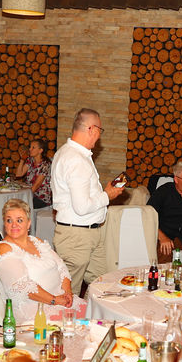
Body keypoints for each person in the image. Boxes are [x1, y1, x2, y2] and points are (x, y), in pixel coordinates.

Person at [50, 108, 124, 286]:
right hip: (77, 237)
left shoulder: (68, 153)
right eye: (100, 130)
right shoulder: (76, 159)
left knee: (103, 286)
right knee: (69, 294)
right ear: (91, 129)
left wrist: (103, 193)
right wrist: (107, 195)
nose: (99, 136)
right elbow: (82, 207)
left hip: (87, 233)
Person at [0, 199, 77, 323]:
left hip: (60, 300)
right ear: (4, 224)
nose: (14, 225)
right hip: (34, 309)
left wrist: (67, 293)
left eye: (19, 220)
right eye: (9, 220)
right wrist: (55, 300)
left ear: (29, 224)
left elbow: (61, 267)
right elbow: (23, 286)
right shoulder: (3, 249)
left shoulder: (37, 241)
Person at [15, 139, 52, 209]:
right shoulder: (30, 160)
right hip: (29, 194)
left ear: (40, 150)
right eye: (30, 147)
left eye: (33, 147)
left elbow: (36, 185)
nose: (30, 149)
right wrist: (22, 160)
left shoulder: (45, 164)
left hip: (41, 198)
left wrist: (24, 197)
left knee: (18, 206)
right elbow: (19, 174)